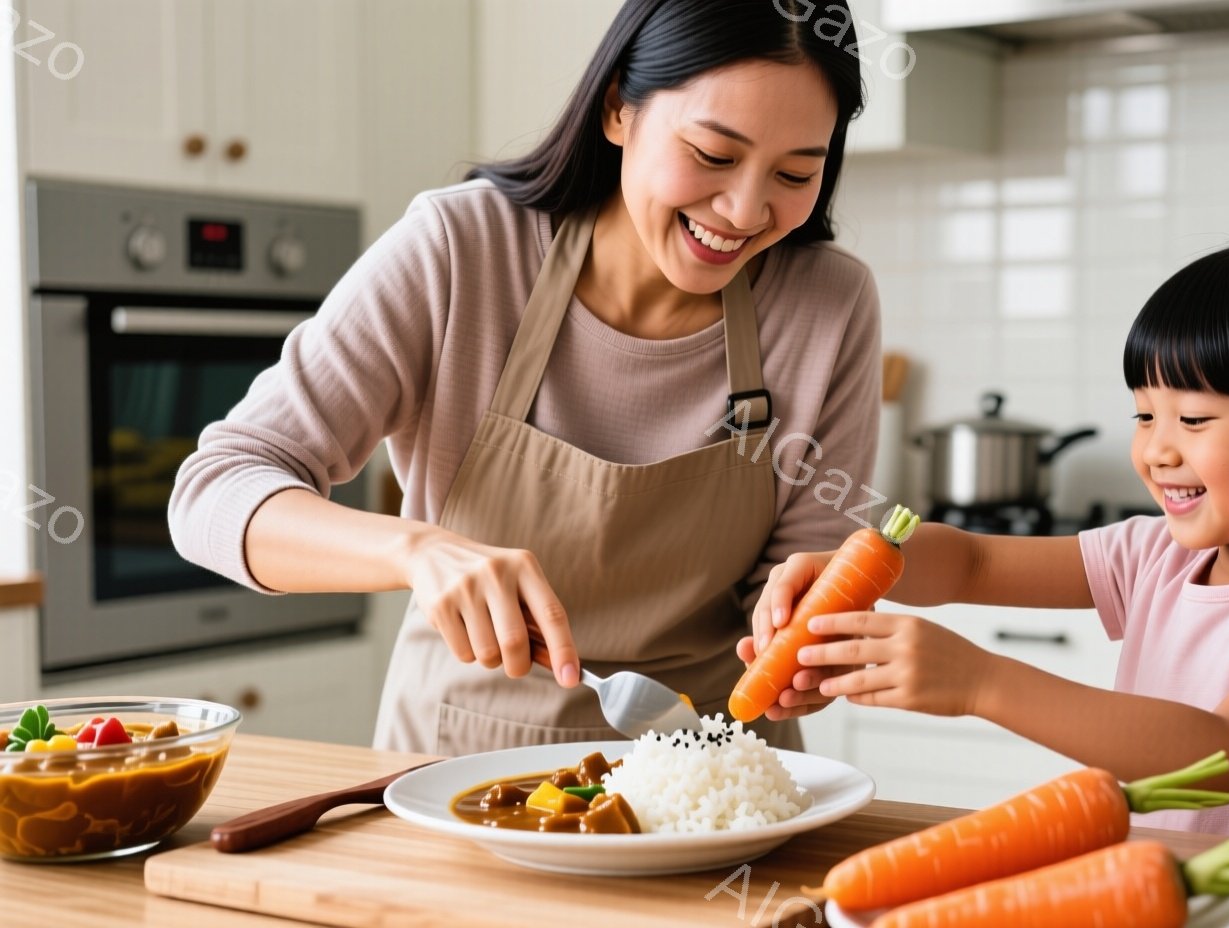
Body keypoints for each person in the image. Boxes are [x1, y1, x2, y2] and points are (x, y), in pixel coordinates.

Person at [169, 0, 881, 756]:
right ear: (617, 107)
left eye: (796, 172)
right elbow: (213, 491)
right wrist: (417, 551)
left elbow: (804, 591)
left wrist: (805, 648)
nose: (744, 210)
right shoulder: (460, 250)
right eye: (712, 154)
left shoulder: (827, 305)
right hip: (455, 775)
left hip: (714, 778)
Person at [745, 237, 1229, 840]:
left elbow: (1224, 754)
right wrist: (858, 565)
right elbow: (972, 560)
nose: (1157, 450)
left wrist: (981, 682)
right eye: (1144, 415)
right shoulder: (1158, 553)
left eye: (1192, 420)